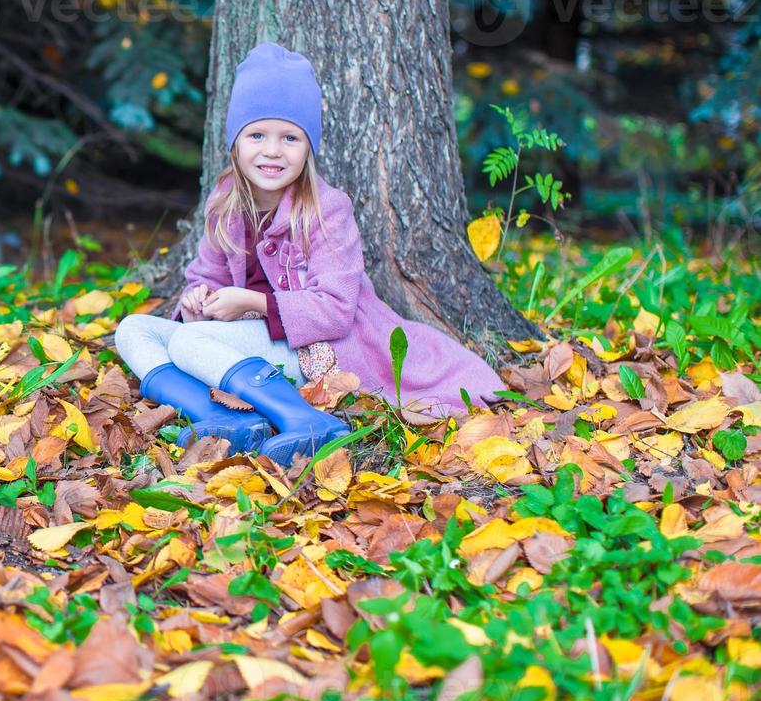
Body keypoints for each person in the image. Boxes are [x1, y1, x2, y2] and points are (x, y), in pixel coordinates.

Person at [115, 41, 508, 465]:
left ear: (309, 147)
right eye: (256, 135)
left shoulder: (325, 208)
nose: (271, 150)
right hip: (240, 341)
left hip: (311, 348)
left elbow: (337, 308)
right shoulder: (225, 201)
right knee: (133, 330)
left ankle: (305, 420)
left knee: (191, 343)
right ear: (235, 143)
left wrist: (250, 303)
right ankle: (225, 419)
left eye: (290, 137)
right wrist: (197, 302)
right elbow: (205, 276)